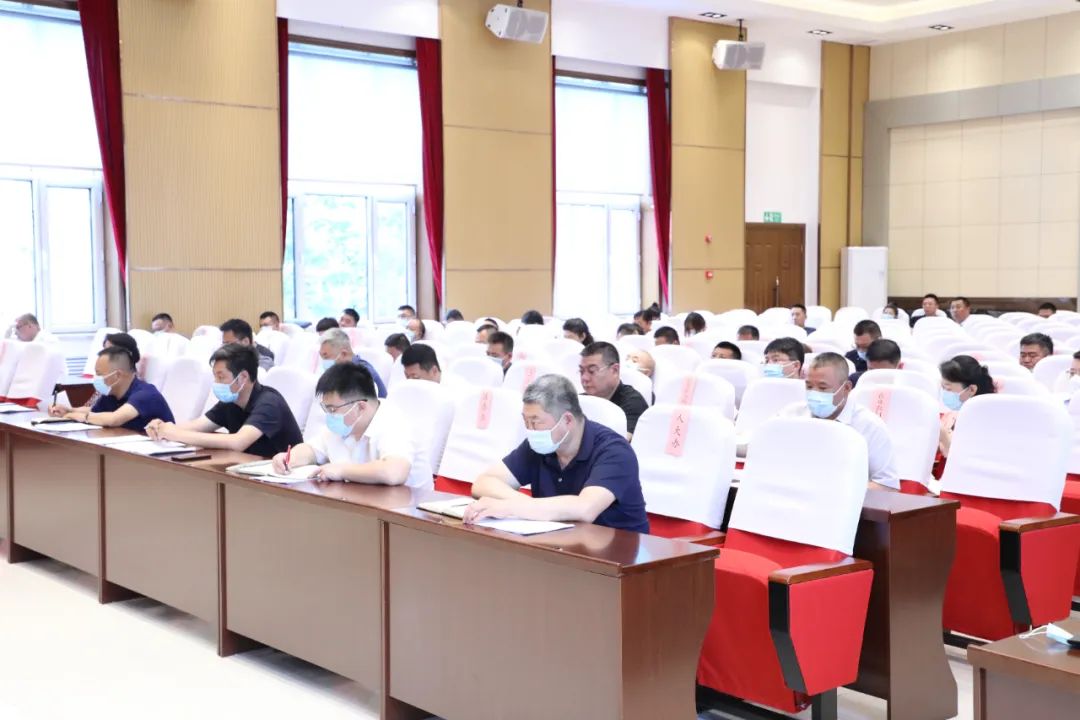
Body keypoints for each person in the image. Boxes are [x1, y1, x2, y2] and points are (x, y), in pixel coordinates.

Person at [463, 374, 648, 532]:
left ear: (567, 420)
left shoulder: (615, 451)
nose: (530, 429)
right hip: (558, 543)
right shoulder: (540, 445)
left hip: (617, 552)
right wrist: (523, 505)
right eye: (526, 421)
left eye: (535, 421)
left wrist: (512, 507)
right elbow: (484, 483)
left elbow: (585, 509)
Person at [270, 363, 431, 488]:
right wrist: (290, 458)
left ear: (360, 407)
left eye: (333, 409)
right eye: (326, 409)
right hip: (358, 502)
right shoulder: (343, 423)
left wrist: (342, 470)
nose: (329, 415)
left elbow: (394, 472)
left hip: (406, 512)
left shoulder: (394, 422)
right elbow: (312, 450)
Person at [145, 344, 302, 456]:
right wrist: (162, 427)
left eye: (221, 377)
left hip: (285, 480)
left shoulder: (269, 403)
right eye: (215, 377)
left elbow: (238, 442)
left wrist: (173, 433)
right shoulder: (231, 402)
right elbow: (196, 426)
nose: (216, 383)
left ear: (243, 377)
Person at [780, 352, 899, 490]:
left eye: (823, 388)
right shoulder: (791, 415)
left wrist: (836, 491)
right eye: (809, 386)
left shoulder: (870, 426)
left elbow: (887, 485)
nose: (814, 393)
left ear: (846, 388)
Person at [48, 345, 173, 430]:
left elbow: (114, 419)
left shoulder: (146, 394)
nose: (96, 378)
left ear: (117, 375)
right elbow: (95, 412)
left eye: (99, 374)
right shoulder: (111, 393)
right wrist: (68, 411)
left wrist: (81, 417)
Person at [579, 342, 648, 436]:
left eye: (592, 371)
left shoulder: (633, 403)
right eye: (581, 371)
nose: (584, 378)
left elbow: (621, 441)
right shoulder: (579, 401)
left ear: (615, 370)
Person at [938, 355, 996, 459]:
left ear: (971, 390)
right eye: (942, 388)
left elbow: (966, 462)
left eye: (948, 389)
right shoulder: (952, 415)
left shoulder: (986, 423)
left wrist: (944, 437)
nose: (944, 393)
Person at [318, 328, 386, 397]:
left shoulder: (362, 374)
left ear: (343, 354)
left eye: (326, 357)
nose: (324, 362)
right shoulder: (342, 372)